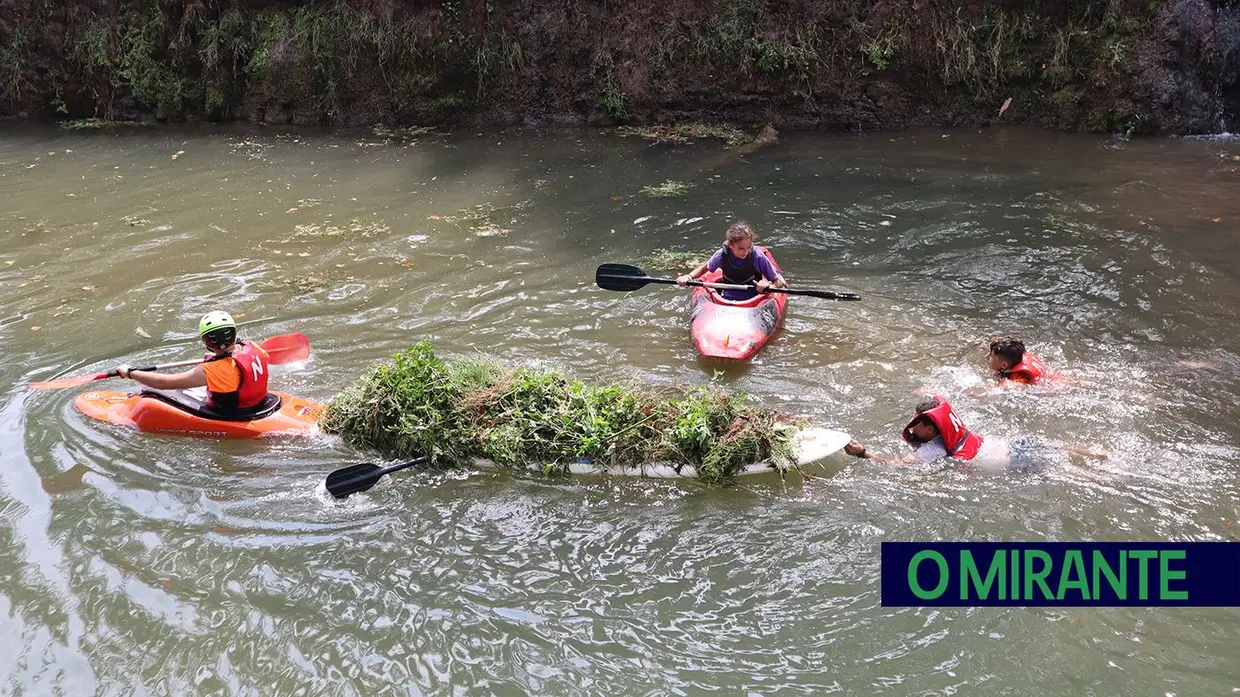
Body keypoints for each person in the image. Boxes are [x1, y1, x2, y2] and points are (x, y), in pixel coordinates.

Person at [842, 395, 1107, 472]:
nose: (912, 426)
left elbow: (896, 466)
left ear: (932, 428)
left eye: (918, 423)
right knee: (1063, 450)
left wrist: (863, 453)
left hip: (1014, 460)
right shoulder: (952, 429)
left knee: (1068, 467)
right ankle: (1103, 454)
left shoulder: (933, 449)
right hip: (1013, 444)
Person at [115, 311, 271, 414]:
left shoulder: (213, 371)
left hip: (234, 413)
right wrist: (219, 358)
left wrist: (131, 372)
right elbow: (264, 359)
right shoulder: (252, 347)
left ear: (206, 342)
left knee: (149, 398)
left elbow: (164, 383)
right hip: (260, 403)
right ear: (234, 333)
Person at [675, 220, 788, 301]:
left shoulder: (758, 257)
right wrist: (689, 277)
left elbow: (777, 282)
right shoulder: (721, 255)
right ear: (730, 245)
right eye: (741, 248)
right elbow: (704, 269)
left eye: (749, 247)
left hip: (754, 299)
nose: (746, 252)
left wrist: (768, 286)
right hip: (727, 297)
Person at [987, 337, 1055, 386]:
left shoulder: (1019, 378)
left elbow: (999, 391)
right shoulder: (1016, 355)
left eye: (991, 355)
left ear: (1004, 365)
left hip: (1054, 387)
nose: (986, 356)